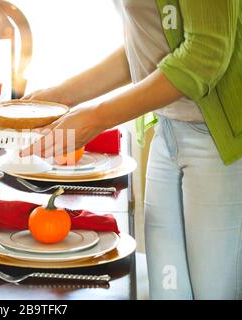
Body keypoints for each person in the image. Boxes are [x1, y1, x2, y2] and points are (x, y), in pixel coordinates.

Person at [21, 0, 242, 300]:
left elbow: (206, 54)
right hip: (167, 131)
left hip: (219, 142)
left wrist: (98, 117)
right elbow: (147, 47)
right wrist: (64, 95)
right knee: (168, 289)